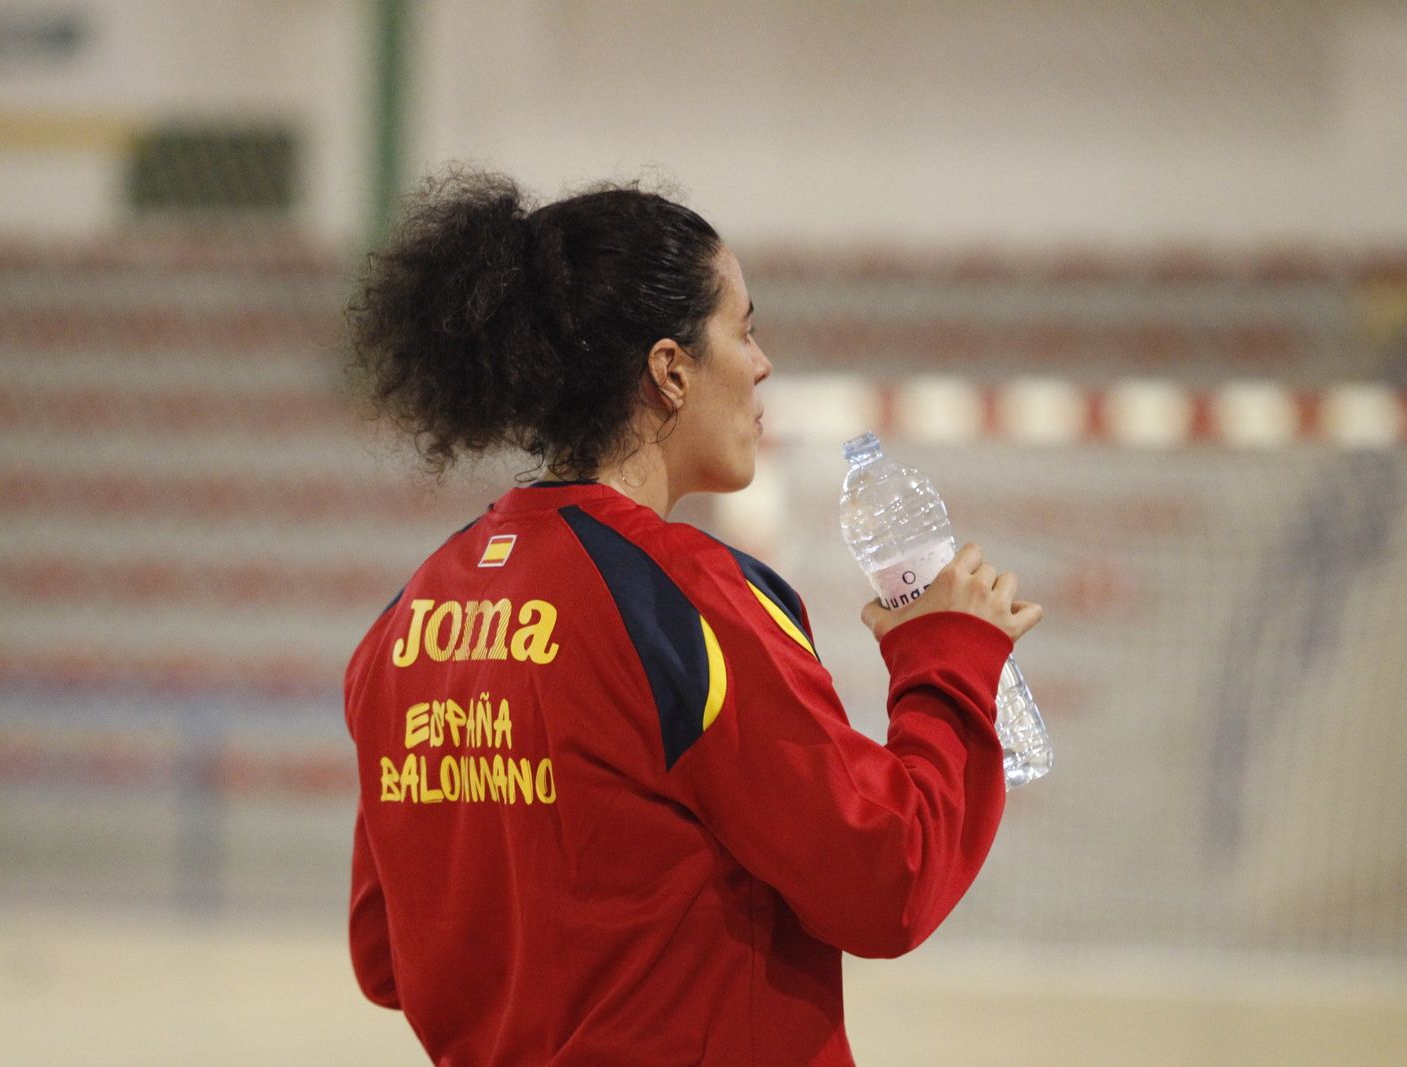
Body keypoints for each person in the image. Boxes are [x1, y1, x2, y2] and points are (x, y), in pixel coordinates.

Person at [343, 170, 1043, 1066]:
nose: (761, 364)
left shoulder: (406, 618)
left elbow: (386, 955)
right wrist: (948, 662)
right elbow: (887, 879)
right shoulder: (686, 601)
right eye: (744, 329)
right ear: (670, 370)